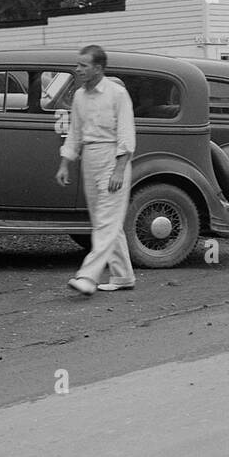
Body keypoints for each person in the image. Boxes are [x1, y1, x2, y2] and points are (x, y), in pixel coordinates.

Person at [56, 45, 136, 295]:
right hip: (90, 157)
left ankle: (87, 277)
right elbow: (75, 132)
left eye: (83, 65)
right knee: (106, 222)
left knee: (105, 223)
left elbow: (126, 132)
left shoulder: (117, 94)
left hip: (113, 157)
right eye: (78, 65)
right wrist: (65, 163)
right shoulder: (79, 96)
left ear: (98, 68)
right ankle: (123, 276)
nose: (77, 69)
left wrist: (119, 169)